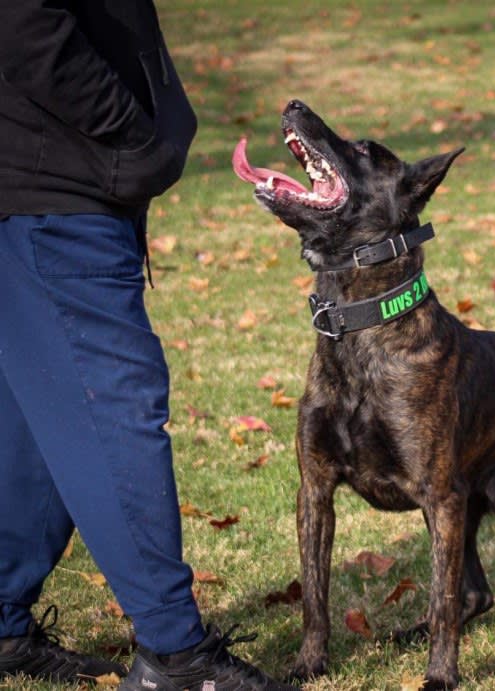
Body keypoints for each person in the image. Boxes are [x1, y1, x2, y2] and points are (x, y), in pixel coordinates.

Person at [0, 3, 295, 689]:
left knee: (37, 405)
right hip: (56, 184)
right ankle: (175, 654)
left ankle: (5, 623)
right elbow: (20, 21)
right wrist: (128, 136)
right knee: (112, 406)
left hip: (41, 176)